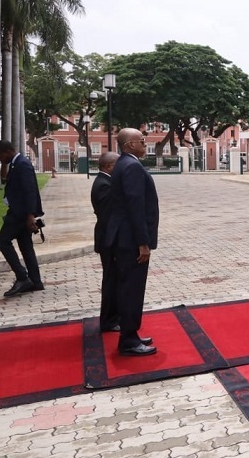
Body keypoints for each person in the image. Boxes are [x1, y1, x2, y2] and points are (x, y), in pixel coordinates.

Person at [105, 128, 159, 356]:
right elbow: (135, 208)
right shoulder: (132, 166)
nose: (146, 144)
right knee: (132, 290)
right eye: (142, 141)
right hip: (131, 241)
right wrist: (143, 243)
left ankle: (130, 334)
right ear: (129, 145)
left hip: (124, 238)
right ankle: (128, 340)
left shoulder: (124, 164)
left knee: (128, 288)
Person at [0, 140, 45, 298]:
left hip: (20, 213)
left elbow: (30, 190)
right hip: (20, 212)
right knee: (25, 245)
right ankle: (35, 281)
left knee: (2, 242)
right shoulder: (16, 164)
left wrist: (30, 215)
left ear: (8, 151)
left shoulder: (22, 164)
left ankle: (22, 277)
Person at [91, 151, 122, 332]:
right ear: (109, 167)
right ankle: (109, 320)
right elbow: (109, 217)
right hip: (109, 240)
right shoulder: (104, 185)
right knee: (111, 280)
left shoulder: (106, 182)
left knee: (114, 279)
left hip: (109, 239)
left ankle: (115, 316)